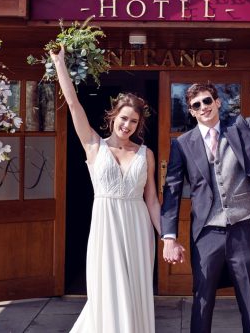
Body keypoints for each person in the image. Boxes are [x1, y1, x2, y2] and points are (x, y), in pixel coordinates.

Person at [160, 28, 250, 333]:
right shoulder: (183, 144)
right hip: (207, 234)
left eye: (207, 101)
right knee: (202, 301)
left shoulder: (241, 128)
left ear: (218, 102)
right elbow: (171, 192)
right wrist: (169, 236)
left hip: (243, 231)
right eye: (195, 105)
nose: (203, 108)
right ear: (191, 111)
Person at [50, 46, 161, 333]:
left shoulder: (145, 154)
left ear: (139, 125)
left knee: (134, 292)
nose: (127, 125)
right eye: (123, 118)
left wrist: (167, 236)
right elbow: (74, 105)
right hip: (106, 228)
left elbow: (151, 201)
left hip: (138, 230)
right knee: (107, 292)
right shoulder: (93, 145)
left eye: (134, 121)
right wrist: (60, 64)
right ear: (113, 117)